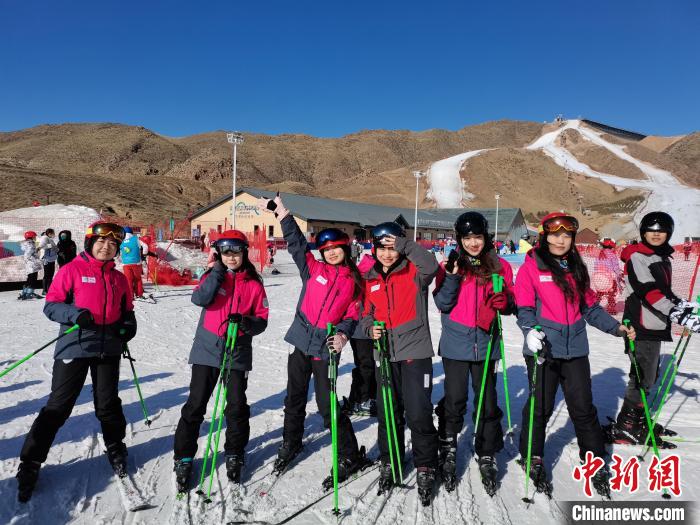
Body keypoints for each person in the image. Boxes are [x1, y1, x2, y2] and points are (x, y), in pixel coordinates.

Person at [514, 212, 635, 498]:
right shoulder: (532, 266)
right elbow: (525, 308)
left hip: (576, 349)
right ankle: (532, 455)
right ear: (545, 237)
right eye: (555, 235)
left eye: (567, 235)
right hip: (543, 348)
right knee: (540, 407)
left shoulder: (576, 268)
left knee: (583, 408)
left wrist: (615, 327)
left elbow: (589, 308)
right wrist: (530, 331)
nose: (561, 240)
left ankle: (593, 458)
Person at [16, 222, 136, 503]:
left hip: (108, 347)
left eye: (112, 244)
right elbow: (52, 305)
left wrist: (128, 324)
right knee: (58, 406)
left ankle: (115, 445)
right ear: (90, 244)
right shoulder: (72, 270)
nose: (106, 247)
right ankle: (30, 461)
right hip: (76, 345)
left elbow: (127, 309)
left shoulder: (119, 278)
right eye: (101, 242)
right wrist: (75, 314)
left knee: (108, 404)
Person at [257, 195, 368, 488]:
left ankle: (349, 454)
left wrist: (342, 334)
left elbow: (352, 315)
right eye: (326, 250)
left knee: (326, 404)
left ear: (345, 249)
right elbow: (296, 244)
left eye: (336, 249)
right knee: (294, 398)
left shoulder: (354, 281)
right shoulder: (313, 269)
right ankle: (291, 441)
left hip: (325, 347)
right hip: (300, 342)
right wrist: (283, 214)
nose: (331, 254)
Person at [172, 230, 269, 490]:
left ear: (244, 253)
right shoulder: (212, 276)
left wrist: (247, 323)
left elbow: (262, 320)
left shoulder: (254, 284)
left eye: (236, 252)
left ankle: (235, 452)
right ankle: (183, 456)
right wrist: (216, 271)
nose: (231, 257)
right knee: (196, 404)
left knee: (236, 406)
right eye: (226, 252)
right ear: (219, 254)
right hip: (208, 349)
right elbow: (199, 298)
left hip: (237, 351)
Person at [433, 212, 515, 495]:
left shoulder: (500, 266)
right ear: (460, 239)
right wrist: (452, 276)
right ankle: (448, 442)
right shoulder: (450, 265)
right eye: (467, 238)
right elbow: (443, 303)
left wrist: (506, 302)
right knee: (454, 398)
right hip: (456, 344)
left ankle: (487, 449)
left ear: (485, 237)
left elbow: (511, 301)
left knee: (487, 401)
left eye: (477, 237)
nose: (473, 243)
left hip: (487, 343)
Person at [360, 222, 440, 504]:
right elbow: (365, 313)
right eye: (382, 248)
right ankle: (390, 459)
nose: (387, 254)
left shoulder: (415, 271)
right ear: (374, 250)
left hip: (415, 351)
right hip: (384, 353)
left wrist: (403, 243)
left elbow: (432, 266)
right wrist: (370, 328)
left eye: (392, 248)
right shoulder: (369, 278)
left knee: (418, 412)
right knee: (387, 412)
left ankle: (426, 465)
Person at [608, 212, 700, 446]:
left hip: (654, 322)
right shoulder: (638, 257)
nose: (656, 234)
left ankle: (638, 420)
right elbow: (648, 292)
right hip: (640, 323)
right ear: (643, 232)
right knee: (642, 376)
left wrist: (681, 304)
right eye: (651, 230)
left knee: (649, 374)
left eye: (661, 230)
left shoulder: (661, 256)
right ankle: (628, 426)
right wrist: (677, 314)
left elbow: (663, 291)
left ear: (668, 233)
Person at [341, 253, 378, 417]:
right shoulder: (367, 272)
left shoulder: (369, 269)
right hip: (360, 328)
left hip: (368, 327)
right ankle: (362, 399)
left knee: (369, 365)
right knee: (366, 365)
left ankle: (364, 397)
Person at [120, 227, 146, 299]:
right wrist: (144, 255)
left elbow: (118, 252)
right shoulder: (136, 238)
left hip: (125, 264)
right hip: (136, 263)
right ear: (131, 232)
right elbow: (145, 246)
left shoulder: (121, 241)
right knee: (138, 279)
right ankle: (139, 294)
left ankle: (130, 296)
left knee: (129, 280)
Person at [19, 231, 42, 300]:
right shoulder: (31, 244)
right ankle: (30, 293)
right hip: (32, 264)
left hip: (30, 264)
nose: (35, 238)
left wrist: (35, 252)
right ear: (31, 237)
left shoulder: (27, 243)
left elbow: (29, 253)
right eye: (34, 236)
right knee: (33, 279)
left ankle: (25, 292)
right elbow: (28, 253)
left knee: (29, 278)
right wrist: (32, 259)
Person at [38, 229, 58, 295]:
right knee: (47, 275)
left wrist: (56, 249)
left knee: (50, 275)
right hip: (47, 259)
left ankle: (49, 289)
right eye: (53, 233)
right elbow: (41, 245)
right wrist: (39, 248)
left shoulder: (50, 239)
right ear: (49, 233)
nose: (54, 234)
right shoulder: (45, 237)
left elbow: (54, 248)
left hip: (51, 259)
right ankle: (44, 290)